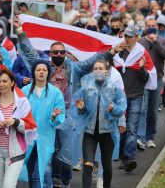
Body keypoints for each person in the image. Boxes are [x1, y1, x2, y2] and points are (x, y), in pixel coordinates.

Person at [13, 15, 125, 187]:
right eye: (55, 52)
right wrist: (20, 31)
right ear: (50, 54)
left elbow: (93, 61)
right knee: (47, 151)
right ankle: (51, 181)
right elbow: (28, 51)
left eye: (61, 52)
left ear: (66, 54)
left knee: (65, 152)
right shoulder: (43, 67)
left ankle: (65, 182)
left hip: (68, 117)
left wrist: (113, 51)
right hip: (46, 116)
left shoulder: (75, 68)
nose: (58, 55)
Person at [73, 59, 126, 188]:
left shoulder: (114, 89)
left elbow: (122, 108)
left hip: (107, 131)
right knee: (87, 164)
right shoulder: (86, 89)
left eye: (100, 68)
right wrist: (80, 108)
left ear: (107, 72)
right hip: (89, 131)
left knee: (106, 165)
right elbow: (79, 111)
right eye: (95, 68)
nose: (98, 71)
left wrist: (114, 109)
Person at [114, 26, 157, 172]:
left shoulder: (142, 53)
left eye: (130, 36)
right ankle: (122, 156)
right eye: (125, 35)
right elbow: (112, 71)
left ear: (136, 37)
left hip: (136, 96)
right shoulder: (119, 51)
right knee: (122, 128)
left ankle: (128, 159)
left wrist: (142, 68)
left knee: (132, 128)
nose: (126, 38)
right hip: (120, 96)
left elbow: (147, 78)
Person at [0, 69, 36, 188]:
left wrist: (16, 122)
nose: (1, 84)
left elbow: (31, 126)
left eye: (4, 81)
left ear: (12, 82)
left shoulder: (22, 101)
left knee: (8, 185)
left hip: (15, 151)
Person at [22, 59, 65, 188]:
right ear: (33, 72)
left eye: (44, 70)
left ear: (48, 73)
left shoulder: (55, 92)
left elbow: (60, 115)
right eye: (38, 70)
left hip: (46, 137)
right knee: (31, 171)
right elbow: (18, 113)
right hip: (28, 137)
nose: (41, 72)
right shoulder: (24, 91)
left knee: (42, 173)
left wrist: (54, 116)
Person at [137, 19, 165, 148]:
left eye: (153, 26)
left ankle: (150, 137)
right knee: (143, 109)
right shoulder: (140, 42)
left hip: (157, 79)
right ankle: (141, 138)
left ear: (157, 28)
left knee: (153, 110)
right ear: (145, 28)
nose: (151, 29)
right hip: (143, 78)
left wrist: (155, 41)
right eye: (148, 26)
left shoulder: (163, 41)